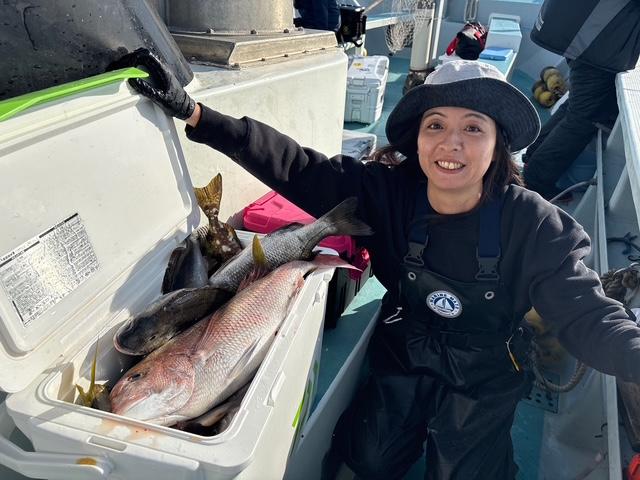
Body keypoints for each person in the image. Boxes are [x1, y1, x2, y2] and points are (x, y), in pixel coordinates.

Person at [115, 49, 640, 479]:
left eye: (473, 128)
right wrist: (196, 113)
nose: (451, 143)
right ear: (418, 139)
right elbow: (296, 166)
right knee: (366, 460)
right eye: (436, 125)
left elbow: (588, 315)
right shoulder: (387, 192)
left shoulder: (537, 225)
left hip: (487, 366)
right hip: (404, 346)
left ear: (499, 142)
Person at [522, 0, 640, 200]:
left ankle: (533, 155)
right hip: (600, 46)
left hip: (589, 41)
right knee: (582, 119)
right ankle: (535, 180)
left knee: (574, 108)